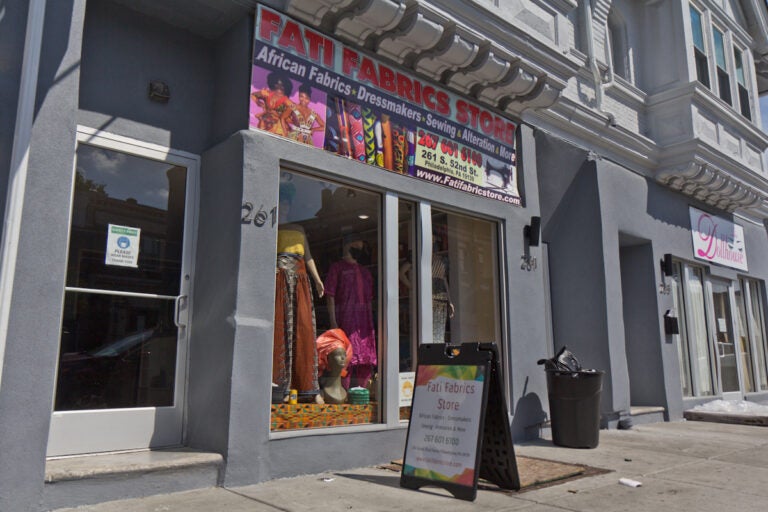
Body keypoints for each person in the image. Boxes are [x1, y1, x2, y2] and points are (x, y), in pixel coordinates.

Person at [273, 181, 324, 403]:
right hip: (281, 280)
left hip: (301, 280)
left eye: (287, 204)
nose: (284, 207)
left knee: (303, 327)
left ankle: (306, 386)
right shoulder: (272, 226)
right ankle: (282, 387)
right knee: (282, 328)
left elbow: (308, 256)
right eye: (281, 203)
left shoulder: (300, 229)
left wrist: (318, 280)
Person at [324, 234, 376, 389]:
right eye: (356, 246)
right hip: (346, 319)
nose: (359, 250)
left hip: (364, 323)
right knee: (345, 359)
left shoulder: (365, 272)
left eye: (361, 248)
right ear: (347, 246)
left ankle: (362, 395)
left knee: (365, 360)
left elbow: (369, 299)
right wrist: (333, 322)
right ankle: (343, 393)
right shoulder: (337, 268)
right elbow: (330, 295)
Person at [315, 329, 354, 404]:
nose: (343, 358)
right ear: (327, 359)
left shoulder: (344, 392)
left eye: (344, 355)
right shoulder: (324, 391)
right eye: (337, 355)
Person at [252, 71, 294, 136]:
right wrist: (258, 102)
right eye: (277, 83)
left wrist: (281, 116)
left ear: (285, 87)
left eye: (282, 85)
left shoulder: (287, 101)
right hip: (264, 123)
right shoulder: (267, 93)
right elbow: (253, 95)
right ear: (273, 84)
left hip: (277, 128)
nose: (279, 87)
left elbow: (295, 116)